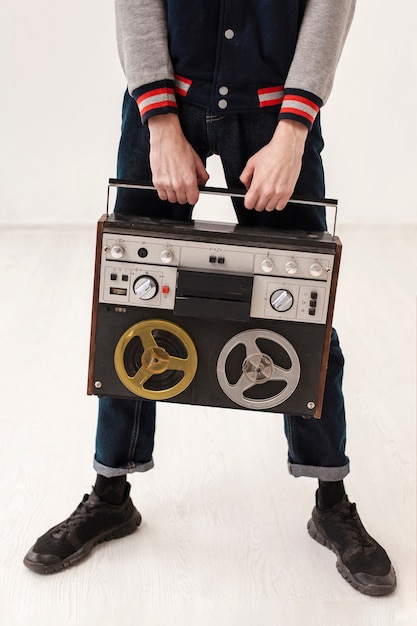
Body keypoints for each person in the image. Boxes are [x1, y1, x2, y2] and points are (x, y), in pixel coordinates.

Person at [24, 0, 396, 596]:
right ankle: (111, 495)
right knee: (130, 310)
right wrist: (160, 122)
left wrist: (294, 131)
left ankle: (331, 502)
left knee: (301, 314)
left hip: (278, 115)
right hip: (169, 105)